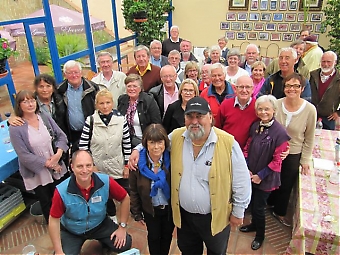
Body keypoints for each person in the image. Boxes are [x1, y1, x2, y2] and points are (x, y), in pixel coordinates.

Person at [128, 97, 251, 255]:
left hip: (215, 217)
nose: (194, 121)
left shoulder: (228, 143)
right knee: (188, 251)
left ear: (210, 117)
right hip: (184, 218)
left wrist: (238, 211)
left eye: (199, 116)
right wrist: (137, 149)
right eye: (190, 116)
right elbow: (157, 141)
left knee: (216, 251)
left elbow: (241, 181)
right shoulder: (178, 136)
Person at [48, 150, 132, 255]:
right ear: (72, 167)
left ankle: (105, 243)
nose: (85, 170)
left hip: (100, 224)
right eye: (80, 166)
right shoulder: (61, 191)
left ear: (93, 165)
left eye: (88, 165)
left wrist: (122, 227)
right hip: (72, 230)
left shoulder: (105, 182)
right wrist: (59, 251)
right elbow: (54, 220)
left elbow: (125, 198)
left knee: (125, 243)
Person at [9, 90, 69, 223]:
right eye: (25, 101)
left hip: (56, 166)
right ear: (19, 105)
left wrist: (58, 154)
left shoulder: (45, 117)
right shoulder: (16, 128)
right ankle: (54, 226)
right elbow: (23, 154)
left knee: (61, 196)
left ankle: (67, 222)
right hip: (38, 172)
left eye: (32, 100)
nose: (30, 104)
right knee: (46, 201)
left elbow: (61, 136)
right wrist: (48, 163)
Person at [239, 95, 290, 250]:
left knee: (259, 208)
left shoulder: (280, 132)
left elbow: (277, 161)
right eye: (260, 109)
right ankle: (254, 225)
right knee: (253, 203)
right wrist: (246, 167)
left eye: (267, 109)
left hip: (266, 178)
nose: (263, 112)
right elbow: (247, 147)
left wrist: (260, 176)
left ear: (274, 110)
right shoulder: (255, 126)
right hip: (251, 174)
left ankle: (260, 235)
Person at [267, 73, 316, 227]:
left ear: (302, 88)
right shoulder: (276, 104)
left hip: (294, 152)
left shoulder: (309, 110)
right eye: (288, 85)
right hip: (273, 151)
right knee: (270, 179)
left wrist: (305, 159)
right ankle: (268, 204)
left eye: (296, 86)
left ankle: (279, 211)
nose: (291, 89)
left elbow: (309, 137)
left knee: (286, 184)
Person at [129, 124, 174, 255]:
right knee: (153, 237)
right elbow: (134, 191)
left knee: (167, 236)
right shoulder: (136, 164)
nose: (156, 147)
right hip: (150, 210)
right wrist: (136, 212)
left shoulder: (172, 159)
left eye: (160, 142)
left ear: (165, 142)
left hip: (168, 209)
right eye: (152, 142)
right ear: (145, 143)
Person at [78, 89, 131, 191]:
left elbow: (127, 144)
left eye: (108, 102)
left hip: (117, 168)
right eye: (101, 103)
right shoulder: (90, 121)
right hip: (98, 169)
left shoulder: (121, 120)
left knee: (124, 197)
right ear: (97, 105)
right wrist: (91, 166)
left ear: (112, 103)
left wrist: (127, 166)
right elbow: (83, 147)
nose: (105, 106)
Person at [57, 60, 99, 152]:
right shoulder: (59, 90)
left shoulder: (92, 88)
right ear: (65, 75)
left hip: (91, 132)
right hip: (71, 134)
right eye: (70, 73)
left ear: (81, 73)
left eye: (76, 72)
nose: (74, 75)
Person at [117, 74, 161, 147]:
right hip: (125, 142)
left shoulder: (149, 100)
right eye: (129, 86)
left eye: (134, 86)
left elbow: (156, 123)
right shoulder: (122, 100)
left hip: (144, 141)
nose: (131, 89)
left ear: (140, 88)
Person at [215, 76, 258, 149]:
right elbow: (217, 128)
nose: (244, 90)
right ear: (235, 89)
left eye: (247, 87)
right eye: (241, 87)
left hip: (248, 153)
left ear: (253, 89)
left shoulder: (258, 107)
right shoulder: (226, 105)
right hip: (226, 149)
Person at [310, 51, 340, 130]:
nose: (325, 64)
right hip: (312, 115)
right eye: (323, 61)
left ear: (335, 62)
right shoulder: (312, 75)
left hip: (329, 118)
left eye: (329, 62)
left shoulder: (338, 78)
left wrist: (338, 113)